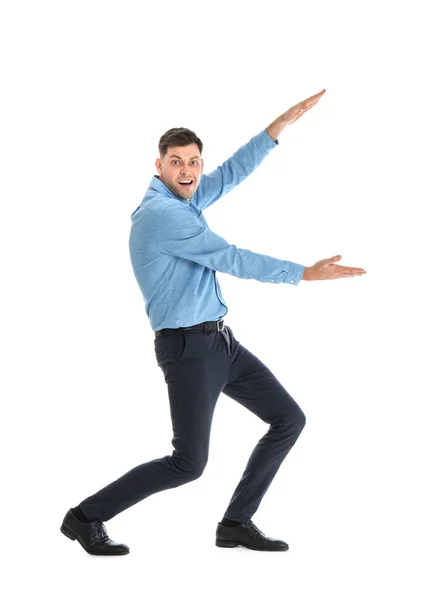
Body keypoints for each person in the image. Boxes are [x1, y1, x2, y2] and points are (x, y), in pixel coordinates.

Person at [60, 89, 366, 555]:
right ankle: (85, 517)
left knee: (288, 419)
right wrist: (304, 273)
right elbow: (231, 258)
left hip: (221, 344)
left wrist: (275, 129)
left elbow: (231, 174)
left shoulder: (183, 200)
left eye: (194, 162)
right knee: (188, 463)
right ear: (158, 165)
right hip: (188, 350)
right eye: (177, 161)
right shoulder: (164, 216)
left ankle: (236, 523)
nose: (188, 170)